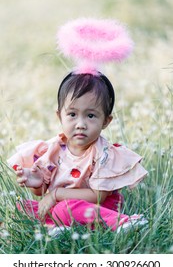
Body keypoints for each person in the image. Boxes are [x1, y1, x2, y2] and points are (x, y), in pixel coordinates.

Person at [7, 18, 148, 232]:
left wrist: (56, 195)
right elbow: (43, 190)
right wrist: (36, 182)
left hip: (98, 207)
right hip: (61, 205)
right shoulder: (53, 148)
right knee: (21, 207)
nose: (80, 124)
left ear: (106, 121)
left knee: (64, 209)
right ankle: (56, 228)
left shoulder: (103, 153)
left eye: (91, 116)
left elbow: (98, 195)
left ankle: (122, 221)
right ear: (59, 116)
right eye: (72, 114)